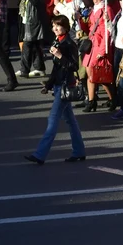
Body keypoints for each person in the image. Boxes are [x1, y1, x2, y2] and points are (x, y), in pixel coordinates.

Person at [24, 15, 85, 165]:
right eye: (53, 26)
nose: (55, 29)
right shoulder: (58, 41)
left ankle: (40, 155)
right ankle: (79, 151)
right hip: (59, 84)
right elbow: (56, 69)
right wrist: (48, 85)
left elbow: (74, 66)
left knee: (53, 120)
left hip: (66, 85)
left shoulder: (69, 43)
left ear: (65, 27)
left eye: (58, 26)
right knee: (70, 120)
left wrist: (59, 55)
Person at [82, 0, 117, 113]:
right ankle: (91, 101)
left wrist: (102, 51)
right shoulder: (94, 9)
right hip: (92, 44)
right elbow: (89, 28)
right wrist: (79, 20)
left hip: (101, 45)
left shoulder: (107, 9)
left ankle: (113, 98)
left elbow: (109, 32)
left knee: (100, 75)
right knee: (90, 73)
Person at [17, 0, 47, 79]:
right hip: (27, 22)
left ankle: (24, 70)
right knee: (35, 46)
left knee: (27, 46)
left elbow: (35, 3)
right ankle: (39, 68)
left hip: (34, 23)